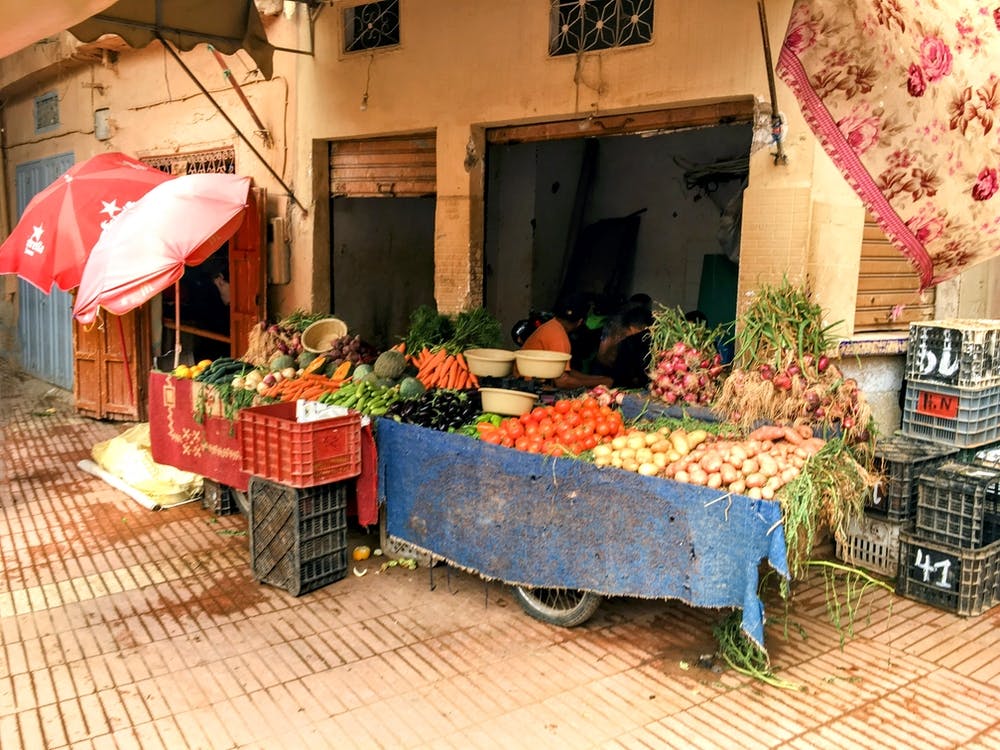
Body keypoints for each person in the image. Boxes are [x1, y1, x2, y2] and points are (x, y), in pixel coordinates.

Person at [521, 294, 613, 390]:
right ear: (580, 322)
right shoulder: (559, 337)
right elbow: (562, 382)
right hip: (530, 387)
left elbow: (565, 371)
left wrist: (600, 379)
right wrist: (598, 383)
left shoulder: (553, 325)